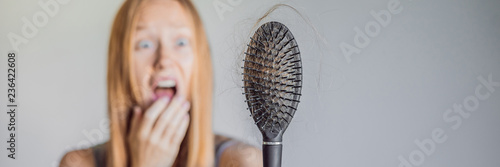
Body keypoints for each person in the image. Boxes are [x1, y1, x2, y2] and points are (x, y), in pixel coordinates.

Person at [59, 0, 262, 166]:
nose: (163, 59)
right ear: (120, 64)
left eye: (181, 42)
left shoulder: (242, 160)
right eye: (144, 44)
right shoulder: (78, 163)